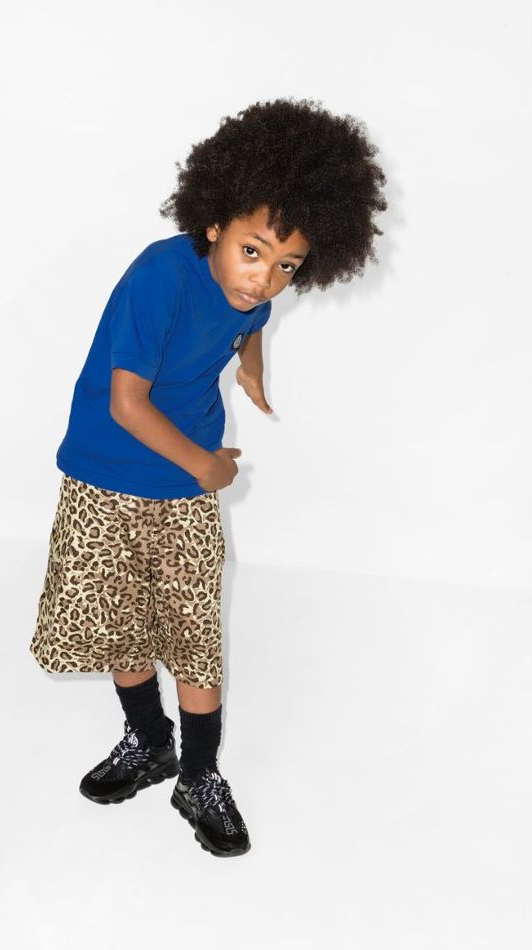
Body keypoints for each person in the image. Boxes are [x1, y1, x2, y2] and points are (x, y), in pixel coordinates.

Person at [29, 96, 387, 858]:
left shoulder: (248, 296)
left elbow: (250, 322)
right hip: (106, 476)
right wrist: (207, 465)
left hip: (183, 489)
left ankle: (197, 776)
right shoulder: (158, 280)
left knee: (195, 634)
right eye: (253, 252)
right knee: (122, 623)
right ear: (215, 222)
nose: (263, 280)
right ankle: (148, 739)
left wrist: (251, 368)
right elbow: (126, 404)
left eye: (287, 265)